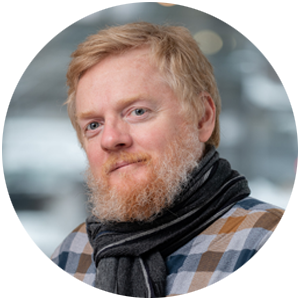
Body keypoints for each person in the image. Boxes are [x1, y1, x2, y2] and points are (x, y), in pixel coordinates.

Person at [50, 22, 284, 298]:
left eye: (137, 111)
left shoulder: (274, 245)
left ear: (202, 118)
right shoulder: (72, 255)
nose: (110, 139)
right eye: (93, 125)